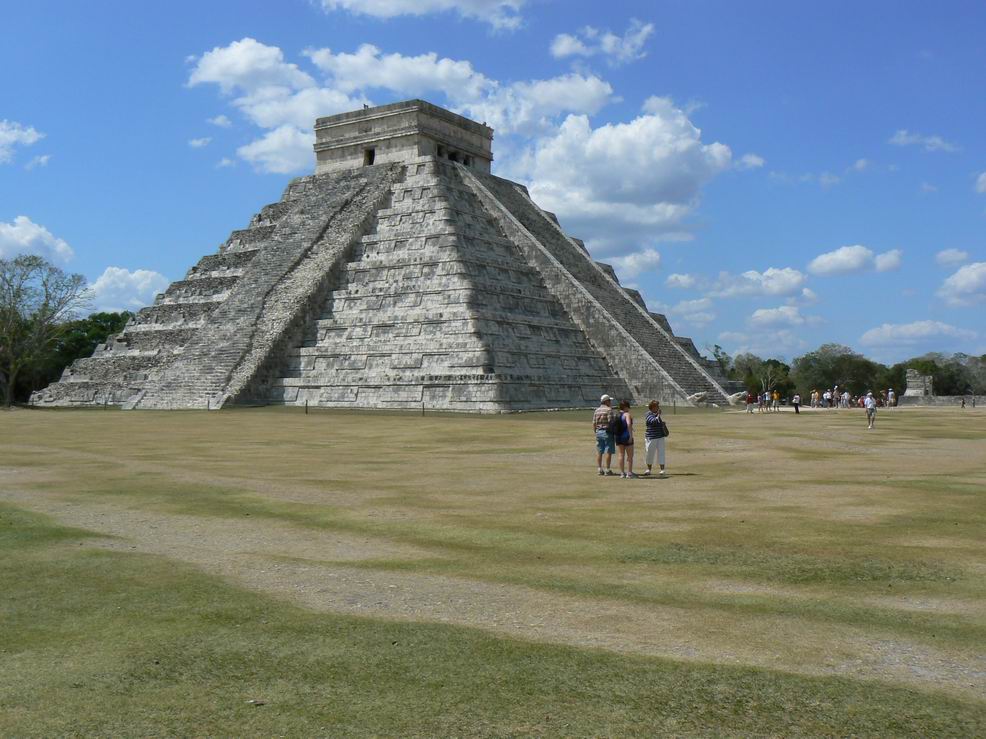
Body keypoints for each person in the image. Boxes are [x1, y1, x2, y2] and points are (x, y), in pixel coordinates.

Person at [642, 400, 668, 476]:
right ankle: (648, 469)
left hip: (660, 436)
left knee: (661, 453)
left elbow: (658, 422)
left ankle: (662, 469)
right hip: (651, 437)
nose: (658, 407)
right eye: (657, 406)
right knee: (649, 453)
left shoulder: (657, 414)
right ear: (653, 407)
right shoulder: (648, 414)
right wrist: (659, 415)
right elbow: (653, 421)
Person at [593, 394, 616, 475]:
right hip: (607, 432)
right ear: (606, 401)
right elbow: (611, 422)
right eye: (609, 401)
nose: (610, 402)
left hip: (598, 432)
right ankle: (607, 469)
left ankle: (599, 469)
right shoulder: (609, 410)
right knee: (608, 451)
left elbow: (594, 423)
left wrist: (595, 432)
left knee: (600, 451)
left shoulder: (597, 410)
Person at [615, 400, 636, 478]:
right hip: (626, 435)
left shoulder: (617, 414)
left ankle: (622, 473)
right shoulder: (627, 414)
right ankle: (629, 473)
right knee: (630, 455)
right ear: (626, 407)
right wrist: (630, 436)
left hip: (618, 436)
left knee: (621, 454)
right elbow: (628, 423)